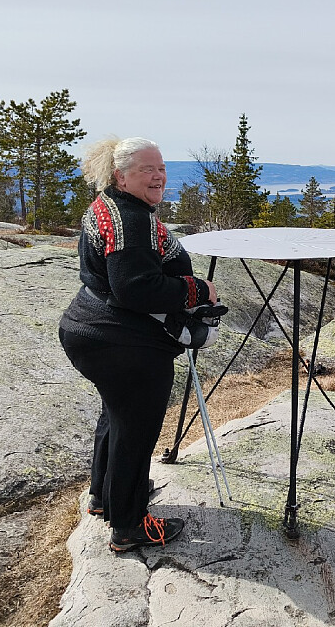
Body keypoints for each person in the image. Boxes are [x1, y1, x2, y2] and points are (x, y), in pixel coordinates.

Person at [58, 137, 218, 553]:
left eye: (161, 167)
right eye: (147, 169)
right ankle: (129, 526)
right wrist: (198, 290)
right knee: (136, 431)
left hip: (92, 330)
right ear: (120, 176)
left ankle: (104, 495)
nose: (158, 176)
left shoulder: (108, 206)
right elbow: (135, 288)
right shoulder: (131, 220)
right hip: (124, 344)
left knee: (117, 415)